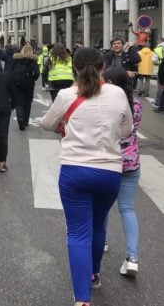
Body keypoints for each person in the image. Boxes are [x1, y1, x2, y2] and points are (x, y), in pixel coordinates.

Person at [41, 47, 132, 306]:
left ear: (75, 67)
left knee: (78, 232)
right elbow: (126, 131)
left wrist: (66, 126)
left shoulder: (66, 94)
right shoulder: (117, 93)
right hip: (110, 172)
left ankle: (82, 299)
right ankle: (94, 274)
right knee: (98, 223)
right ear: (103, 67)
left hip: (75, 171)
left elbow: (47, 123)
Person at [102, 66, 141, 278]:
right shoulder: (136, 103)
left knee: (102, 206)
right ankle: (132, 258)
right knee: (127, 208)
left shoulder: (106, 104)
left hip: (109, 160)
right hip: (132, 160)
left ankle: (103, 241)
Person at [11, 44, 40, 130]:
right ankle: (26, 121)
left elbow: (11, 70)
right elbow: (37, 73)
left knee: (19, 102)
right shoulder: (33, 61)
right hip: (29, 83)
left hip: (17, 82)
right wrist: (33, 79)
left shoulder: (16, 60)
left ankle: (20, 118)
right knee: (27, 102)